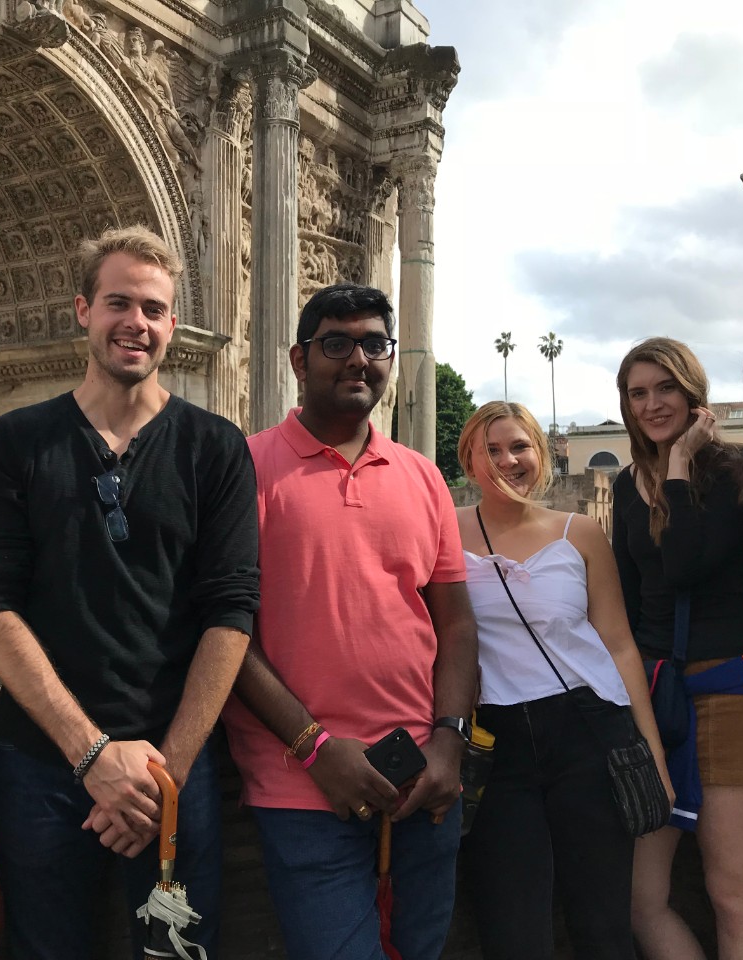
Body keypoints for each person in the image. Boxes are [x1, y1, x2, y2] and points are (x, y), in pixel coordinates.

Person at [0, 225, 259, 959]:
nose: (138, 323)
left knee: (175, 954)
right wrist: (92, 757)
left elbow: (230, 614)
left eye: (156, 309)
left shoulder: (217, 447)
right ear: (82, 311)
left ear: (172, 326)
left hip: (174, 765)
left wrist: (162, 774)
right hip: (42, 763)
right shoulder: (16, 440)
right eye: (119, 302)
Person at [223, 282, 478, 960]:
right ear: (298, 360)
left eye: (375, 344)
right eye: (336, 344)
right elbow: (226, 636)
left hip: (422, 778)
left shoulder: (423, 477)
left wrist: (450, 744)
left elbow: (454, 624)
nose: (358, 359)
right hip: (302, 784)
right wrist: (313, 746)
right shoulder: (243, 468)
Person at [455, 401, 671, 959]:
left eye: (520, 446)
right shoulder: (443, 532)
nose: (509, 460)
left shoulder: (579, 533)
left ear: (541, 454)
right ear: (469, 459)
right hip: (495, 739)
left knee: (602, 922)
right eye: (493, 449)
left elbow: (619, 645)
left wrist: (652, 753)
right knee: (511, 926)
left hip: (587, 729)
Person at [612, 337, 743, 960]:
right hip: (658, 694)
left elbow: (685, 565)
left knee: (733, 894)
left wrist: (682, 462)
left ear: (694, 393)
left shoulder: (734, 469)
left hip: (733, 690)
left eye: (666, 389)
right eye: (639, 393)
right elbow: (628, 606)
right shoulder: (628, 484)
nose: (653, 404)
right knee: (640, 900)